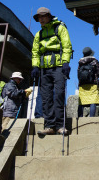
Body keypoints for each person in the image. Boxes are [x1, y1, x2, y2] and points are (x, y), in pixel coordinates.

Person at [31, 7, 72, 136]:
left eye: (43, 16)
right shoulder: (39, 34)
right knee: (46, 98)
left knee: (59, 95)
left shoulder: (60, 28)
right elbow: (35, 52)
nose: (41, 19)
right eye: (39, 17)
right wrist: (35, 66)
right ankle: (49, 126)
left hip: (59, 67)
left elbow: (66, 46)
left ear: (49, 16)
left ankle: (60, 125)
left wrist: (66, 63)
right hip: (44, 68)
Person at [77, 47, 99, 117]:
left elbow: (78, 74)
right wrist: (94, 76)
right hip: (93, 84)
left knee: (81, 102)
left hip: (82, 85)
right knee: (92, 101)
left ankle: (80, 118)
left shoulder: (80, 63)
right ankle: (91, 118)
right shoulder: (94, 61)